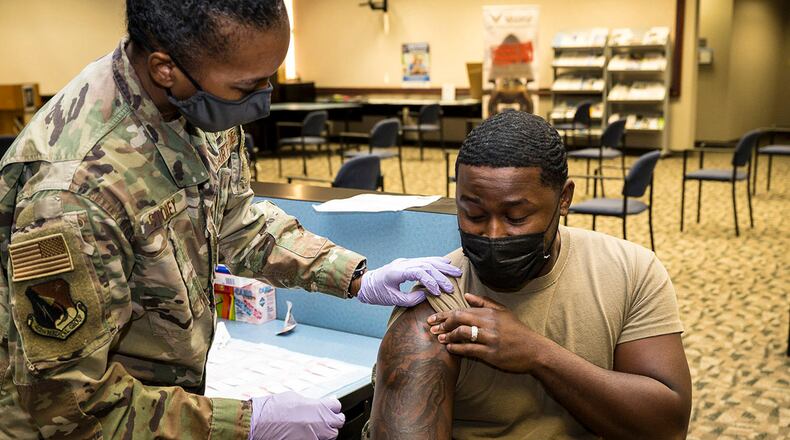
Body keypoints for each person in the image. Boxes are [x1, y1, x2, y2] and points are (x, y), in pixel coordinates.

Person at [0, 1, 460, 439]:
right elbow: (70, 407)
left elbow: (239, 221)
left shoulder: (196, 99)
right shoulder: (73, 193)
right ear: (166, 68)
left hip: (171, 400)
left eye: (269, 80)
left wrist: (358, 277)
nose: (261, 100)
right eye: (246, 88)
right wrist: (247, 424)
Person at [370, 111, 692, 439]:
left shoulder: (631, 271)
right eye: (474, 215)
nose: (494, 235)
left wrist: (537, 354)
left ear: (564, 199)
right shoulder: (439, 301)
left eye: (517, 216)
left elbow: (667, 427)